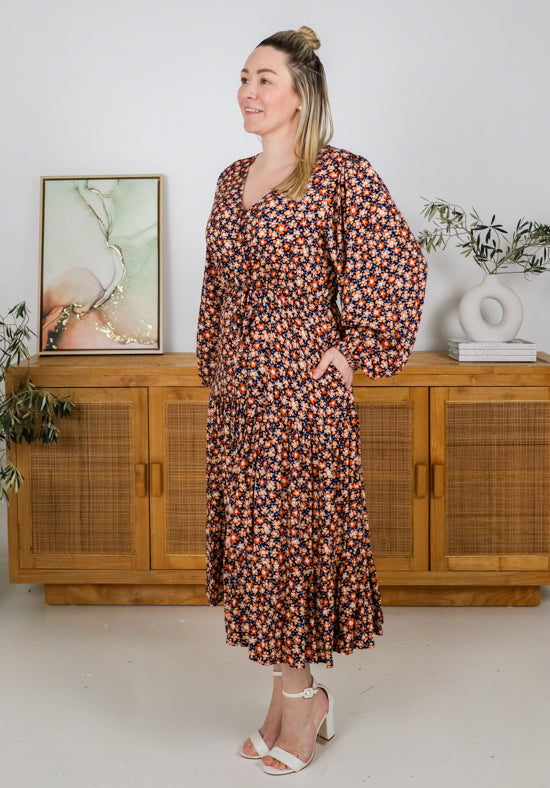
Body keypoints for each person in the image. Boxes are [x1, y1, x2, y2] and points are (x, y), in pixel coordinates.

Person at [196, 26, 427, 775]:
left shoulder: (337, 175)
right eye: (243, 78)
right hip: (241, 394)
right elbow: (217, 286)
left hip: (301, 395)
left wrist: (354, 347)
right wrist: (218, 366)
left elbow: (399, 261)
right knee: (258, 556)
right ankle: (286, 699)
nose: (248, 92)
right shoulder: (234, 179)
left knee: (284, 554)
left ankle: (303, 709)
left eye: (264, 79)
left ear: (301, 95)